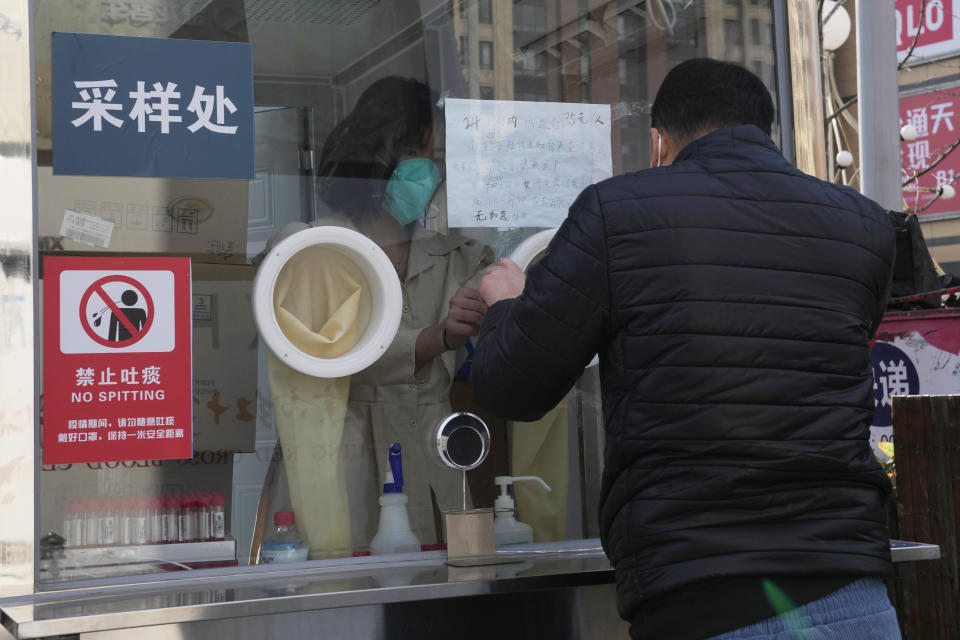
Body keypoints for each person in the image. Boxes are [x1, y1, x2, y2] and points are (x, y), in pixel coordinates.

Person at [470, 58, 898, 640]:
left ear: (657, 142)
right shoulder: (864, 228)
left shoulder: (613, 213)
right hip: (855, 594)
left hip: (700, 596)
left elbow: (513, 386)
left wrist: (507, 306)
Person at [265, 76, 492, 554]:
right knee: (349, 587)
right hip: (344, 447)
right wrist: (438, 337)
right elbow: (338, 353)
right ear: (375, 152)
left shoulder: (457, 254)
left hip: (436, 445)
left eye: (439, 160)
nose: (430, 172)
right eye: (418, 154)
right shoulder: (309, 246)